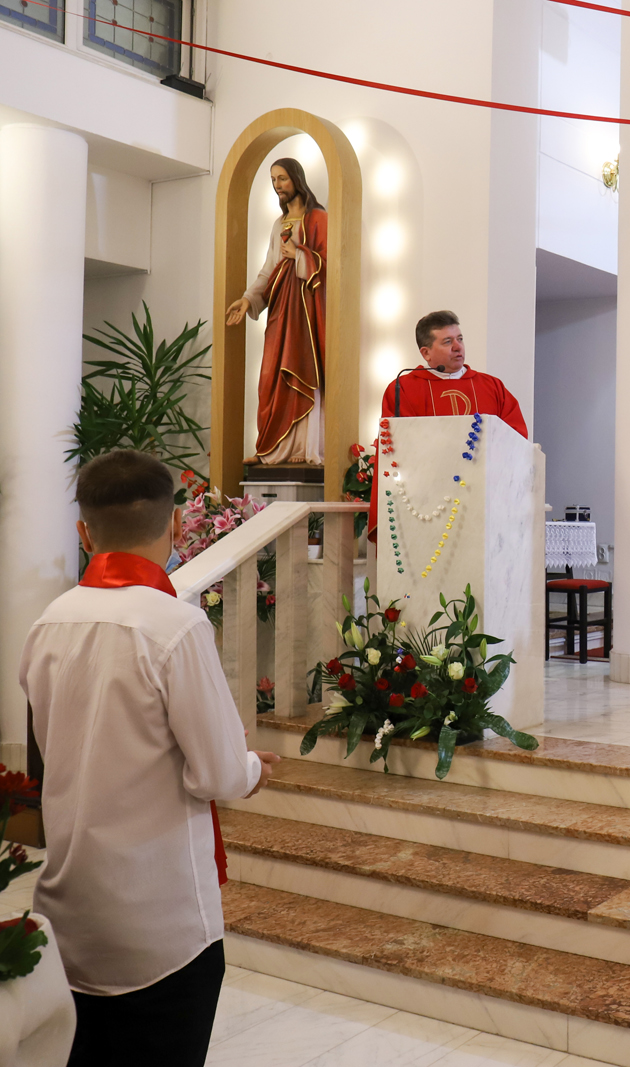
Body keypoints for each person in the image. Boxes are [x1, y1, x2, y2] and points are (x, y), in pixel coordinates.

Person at [20, 450, 279, 1066]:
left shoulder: (48, 623)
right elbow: (218, 773)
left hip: (69, 911)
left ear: (84, 533)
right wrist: (250, 768)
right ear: (178, 525)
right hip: (161, 925)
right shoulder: (175, 626)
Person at [368, 310, 529, 540]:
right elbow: (399, 446)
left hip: (484, 501)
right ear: (426, 353)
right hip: (425, 505)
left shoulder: (491, 387)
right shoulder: (405, 389)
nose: (457, 347)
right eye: (447, 341)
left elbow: (516, 437)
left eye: (459, 339)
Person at [224, 157, 328, 465]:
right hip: (281, 305)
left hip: (306, 310)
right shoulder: (278, 224)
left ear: (296, 178)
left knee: (300, 367)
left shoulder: (319, 218)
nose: (277, 185)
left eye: (282, 178)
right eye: (273, 180)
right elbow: (269, 268)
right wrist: (248, 299)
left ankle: (303, 447)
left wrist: (299, 255)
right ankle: (271, 448)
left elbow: (330, 266)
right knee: (272, 374)